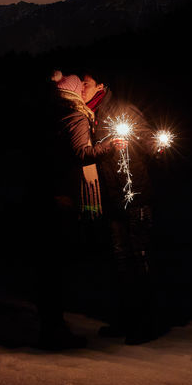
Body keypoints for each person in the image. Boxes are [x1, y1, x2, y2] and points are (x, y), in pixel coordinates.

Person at [33, 72, 123, 349]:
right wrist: (110, 146)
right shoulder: (75, 116)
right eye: (80, 86)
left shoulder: (51, 114)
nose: (84, 89)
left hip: (48, 192)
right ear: (73, 95)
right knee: (57, 263)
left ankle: (51, 325)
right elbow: (81, 153)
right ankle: (56, 331)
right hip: (64, 194)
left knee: (49, 264)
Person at [85, 77, 170, 344]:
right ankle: (126, 320)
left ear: (99, 86)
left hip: (135, 197)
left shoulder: (122, 109)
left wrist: (158, 147)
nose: (81, 89)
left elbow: (147, 142)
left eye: (85, 83)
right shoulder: (91, 116)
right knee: (121, 262)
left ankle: (147, 325)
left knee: (140, 259)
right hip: (113, 200)